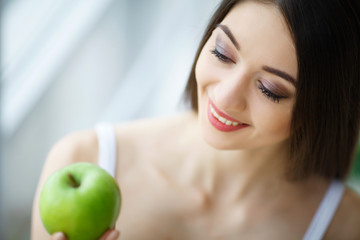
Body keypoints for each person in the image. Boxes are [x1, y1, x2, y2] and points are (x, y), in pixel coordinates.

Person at [32, 0, 360, 239]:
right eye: (222, 52)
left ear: (322, 109)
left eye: (270, 89)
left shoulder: (343, 224)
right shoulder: (83, 157)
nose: (225, 96)